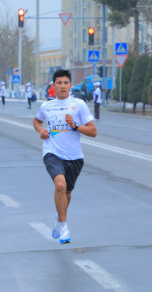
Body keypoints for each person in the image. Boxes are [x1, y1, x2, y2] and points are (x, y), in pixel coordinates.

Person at [33, 69, 98, 244]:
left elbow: (93, 131)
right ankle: (64, 227)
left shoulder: (79, 105)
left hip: (75, 157)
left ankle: (58, 218)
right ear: (54, 85)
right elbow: (37, 120)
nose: (62, 86)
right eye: (59, 83)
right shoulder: (47, 106)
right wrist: (41, 131)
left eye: (65, 83)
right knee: (60, 186)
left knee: (67, 192)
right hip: (52, 152)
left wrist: (75, 125)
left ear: (70, 85)